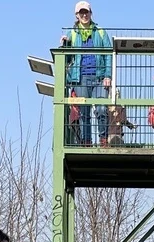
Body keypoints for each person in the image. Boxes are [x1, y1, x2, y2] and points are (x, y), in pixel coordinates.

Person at [62, 1, 112, 147]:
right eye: (81, 12)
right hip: (80, 78)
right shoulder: (71, 33)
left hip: (99, 76)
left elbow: (109, 54)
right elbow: (68, 59)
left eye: (87, 12)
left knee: (102, 108)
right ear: (76, 15)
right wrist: (65, 45)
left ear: (91, 13)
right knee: (84, 111)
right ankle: (86, 142)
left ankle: (103, 140)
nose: (84, 15)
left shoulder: (101, 32)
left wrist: (108, 75)